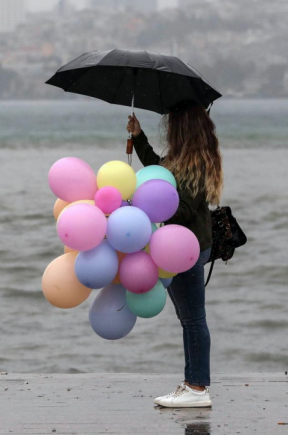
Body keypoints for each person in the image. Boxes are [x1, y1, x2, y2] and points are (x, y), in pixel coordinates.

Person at [126, 100, 223, 408]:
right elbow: (158, 171)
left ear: (183, 130)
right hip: (180, 247)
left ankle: (197, 387)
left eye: (172, 125)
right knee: (188, 318)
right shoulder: (183, 158)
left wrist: (140, 203)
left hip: (186, 250)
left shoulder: (197, 163)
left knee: (193, 319)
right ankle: (192, 382)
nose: (168, 130)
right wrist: (139, 137)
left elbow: (181, 209)